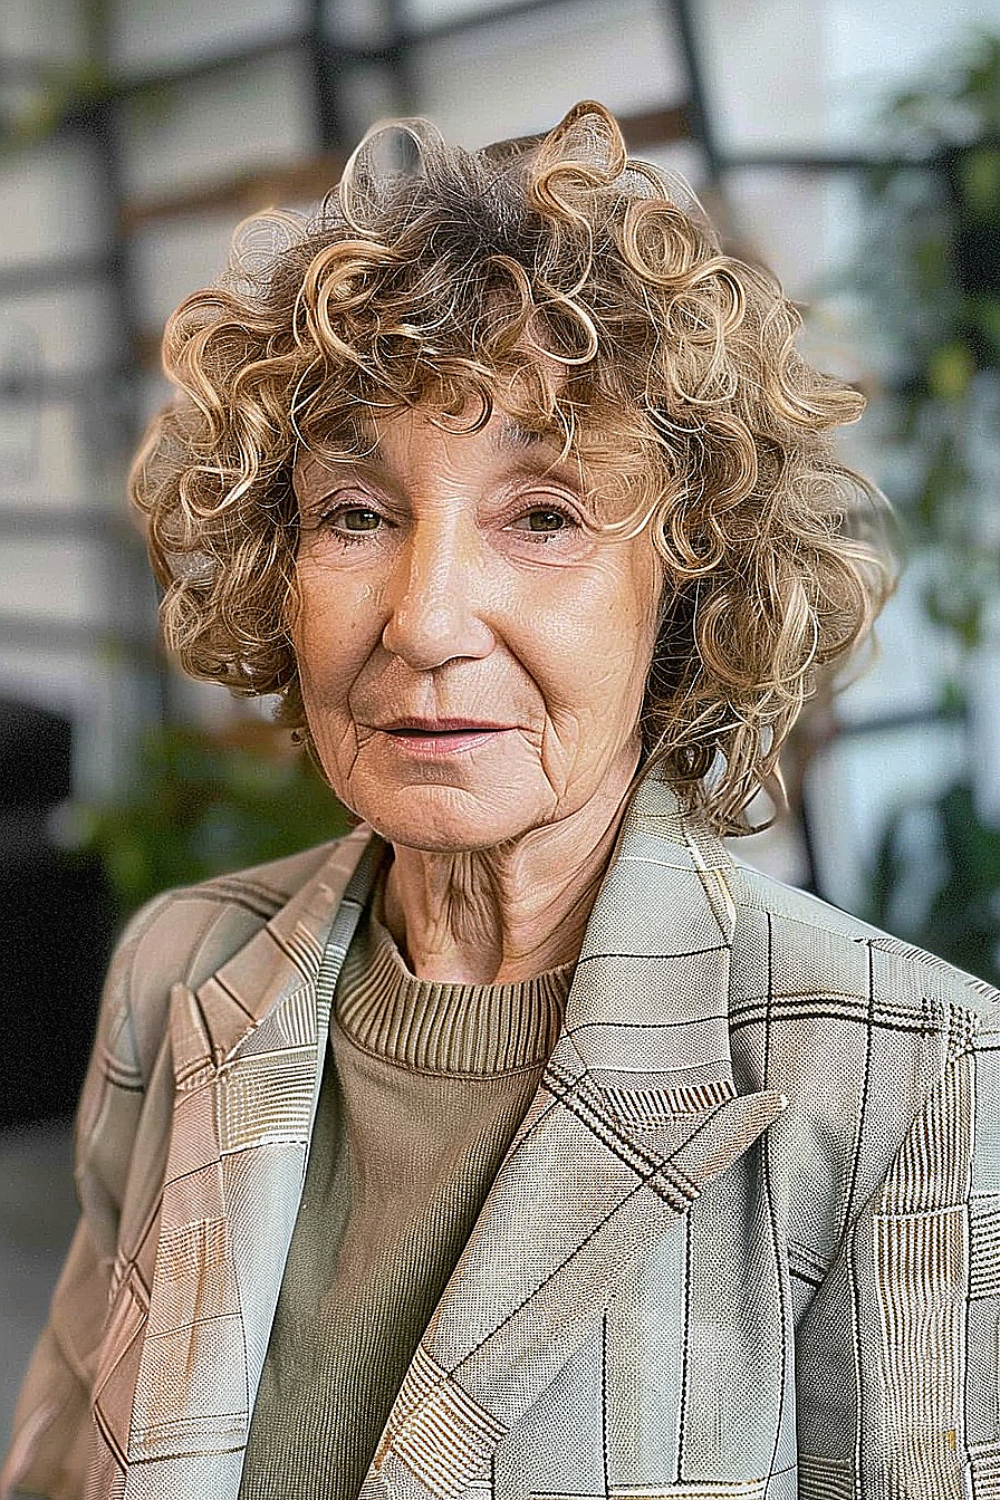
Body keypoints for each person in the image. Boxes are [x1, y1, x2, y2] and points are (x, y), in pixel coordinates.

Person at [3, 99, 997, 1500]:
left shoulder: (915, 1081)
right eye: (356, 513)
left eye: (545, 517)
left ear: (689, 595)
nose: (423, 619)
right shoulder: (179, 974)